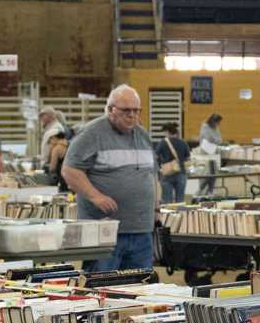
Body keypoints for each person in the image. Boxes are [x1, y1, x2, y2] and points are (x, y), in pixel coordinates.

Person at [63, 85, 160, 271]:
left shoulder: (143, 136)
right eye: (126, 110)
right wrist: (95, 196)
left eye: (136, 110)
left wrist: (156, 208)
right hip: (104, 232)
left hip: (141, 230)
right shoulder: (92, 133)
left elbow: (152, 175)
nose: (132, 115)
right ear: (110, 110)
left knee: (140, 289)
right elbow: (70, 170)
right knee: (102, 287)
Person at [154, 121, 191, 205]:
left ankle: (168, 217)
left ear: (167, 132)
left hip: (167, 173)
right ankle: (180, 216)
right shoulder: (183, 142)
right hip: (181, 173)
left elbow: (155, 156)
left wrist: (159, 168)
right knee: (180, 200)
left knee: (167, 201)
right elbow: (188, 158)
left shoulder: (163, 143)